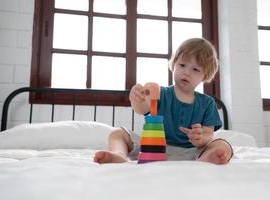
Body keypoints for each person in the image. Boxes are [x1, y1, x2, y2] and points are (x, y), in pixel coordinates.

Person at [94, 38, 233, 165]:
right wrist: (137, 99)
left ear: (205, 76)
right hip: (153, 148)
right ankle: (119, 155)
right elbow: (142, 108)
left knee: (223, 144)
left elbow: (209, 135)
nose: (187, 72)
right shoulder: (159, 93)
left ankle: (205, 160)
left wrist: (201, 137)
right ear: (174, 65)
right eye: (182, 65)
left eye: (195, 69)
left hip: (192, 152)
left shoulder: (207, 103)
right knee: (118, 133)